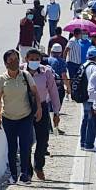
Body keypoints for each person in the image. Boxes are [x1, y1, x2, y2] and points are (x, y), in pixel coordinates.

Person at [0, 49, 43, 185]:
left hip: (25, 116)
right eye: (11, 60)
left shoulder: (26, 76)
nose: (14, 62)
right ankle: (13, 175)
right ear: (6, 63)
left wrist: (39, 108)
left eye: (16, 59)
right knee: (12, 147)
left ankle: (24, 174)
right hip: (8, 117)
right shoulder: (1, 79)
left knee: (25, 145)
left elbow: (35, 93)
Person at [23, 49, 62, 181]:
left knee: (43, 138)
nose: (34, 61)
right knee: (25, 140)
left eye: (37, 59)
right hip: (24, 108)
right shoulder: (20, 72)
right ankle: (27, 170)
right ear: (26, 59)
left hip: (42, 106)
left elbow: (53, 92)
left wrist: (56, 112)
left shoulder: (46, 72)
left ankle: (38, 165)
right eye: (31, 58)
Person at [79, 47, 96, 151]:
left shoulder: (84, 65)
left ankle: (83, 142)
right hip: (92, 98)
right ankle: (89, 144)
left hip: (84, 96)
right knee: (92, 121)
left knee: (85, 120)